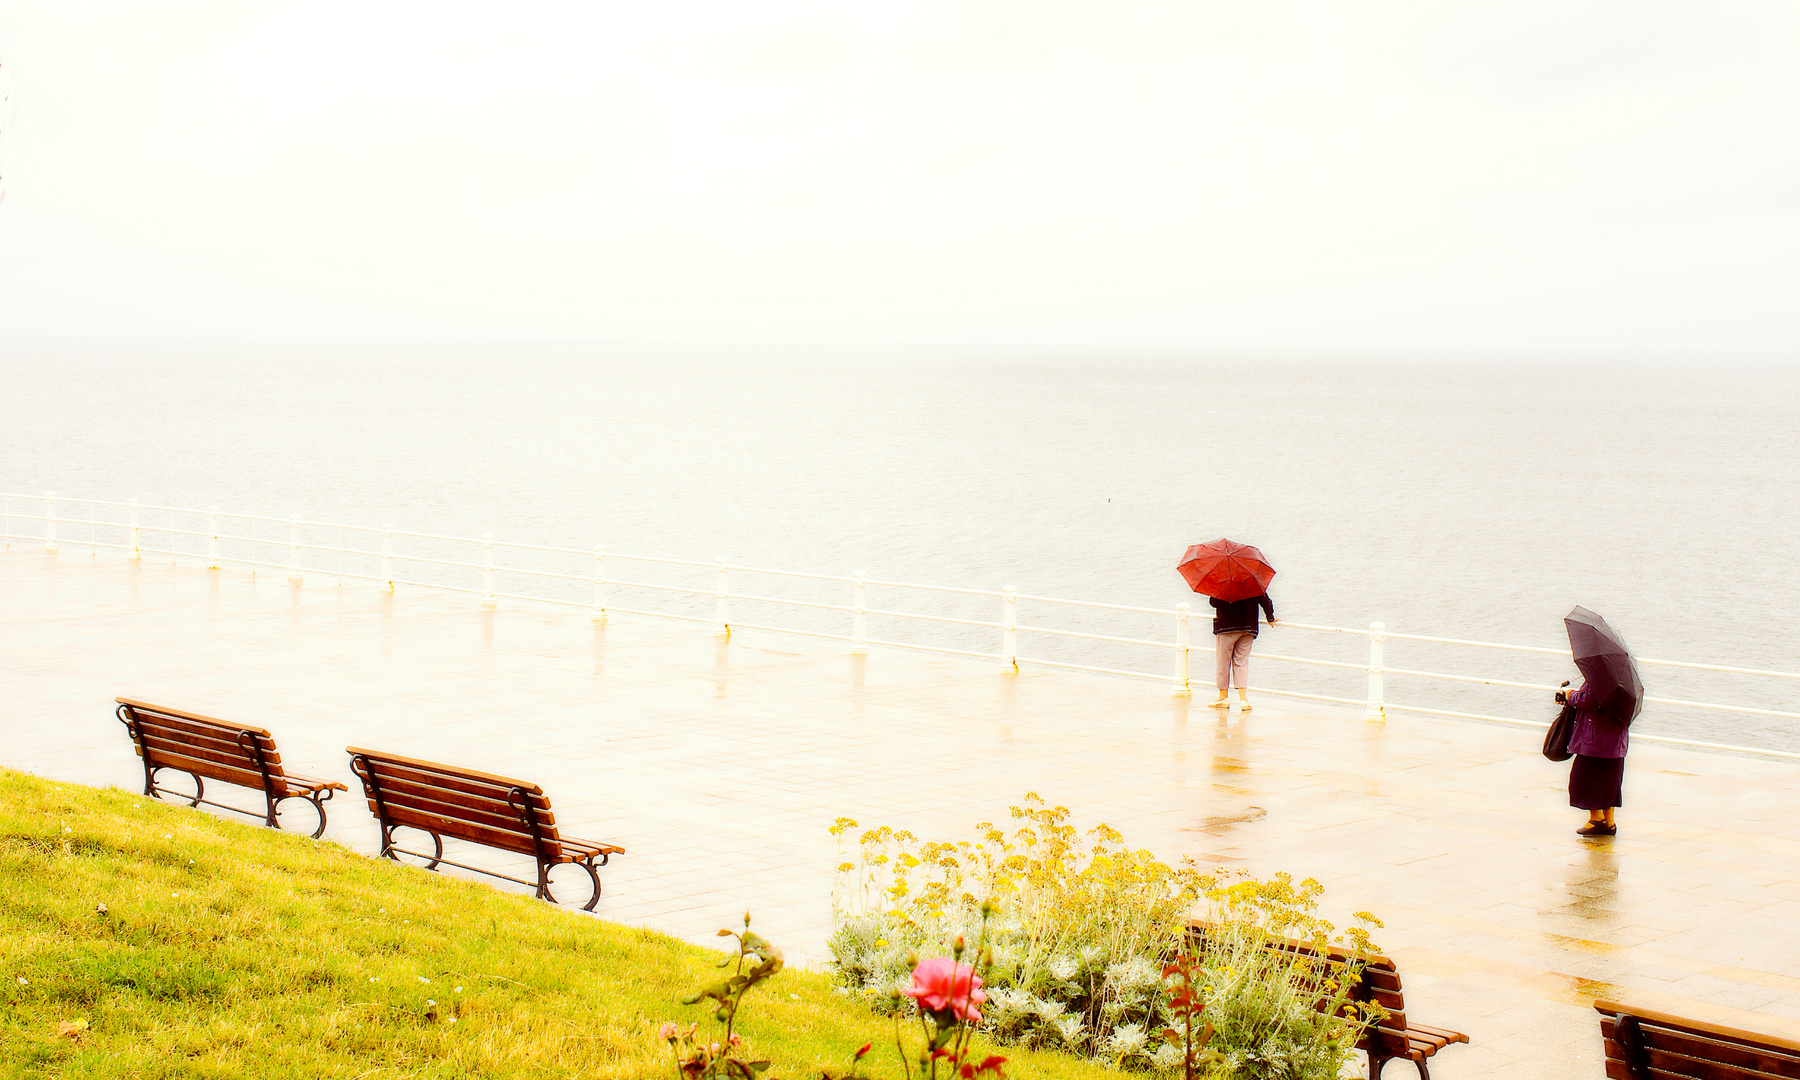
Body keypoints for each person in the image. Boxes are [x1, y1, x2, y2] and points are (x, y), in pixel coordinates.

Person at [1560, 679, 1630, 836]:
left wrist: (1571, 696)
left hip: (1595, 739)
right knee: (1609, 780)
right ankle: (1609, 822)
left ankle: (1597, 819)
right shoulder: (1623, 679)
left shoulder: (1601, 677)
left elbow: (1592, 699)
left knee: (1583, 778)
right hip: (1616, 741)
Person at [1209, 592, 1276, 711]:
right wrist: (1270, 618)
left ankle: (1223, 697)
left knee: (1223, 662)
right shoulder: (1254, 582)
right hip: (1248, 627)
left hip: (1227, 626)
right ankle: (1243, 699)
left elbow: (1214, 603)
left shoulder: (1223, 582)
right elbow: (1266, 601)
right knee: (1241, 662)